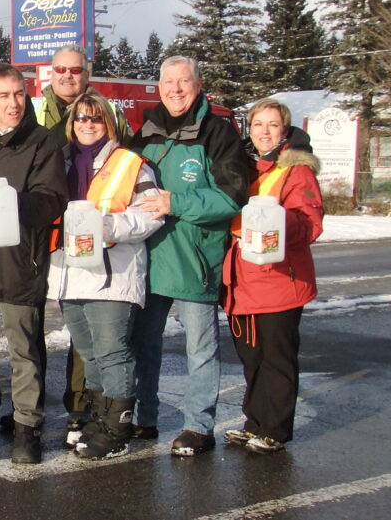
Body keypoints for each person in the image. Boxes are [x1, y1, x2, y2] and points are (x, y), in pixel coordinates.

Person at [128, 56, 250, 456]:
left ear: (199, 85)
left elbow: (232, 195)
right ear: (158, 86)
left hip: (194, 259)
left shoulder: (218, 133)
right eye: (168, 82)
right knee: (144, 345)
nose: (176, 89)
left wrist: (175, 202)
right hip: (148, 258)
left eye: (184, 82)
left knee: (200, 348)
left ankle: (199, 426)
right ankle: (145, 417)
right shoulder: (144, 132)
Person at [0, 63, 66, 464]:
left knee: (24, 354)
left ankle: (27, 427)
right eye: (4, 95)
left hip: (23, 264)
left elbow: (52, 199)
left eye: (19, 94)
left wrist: (10, 203)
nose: (13, 103)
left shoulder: (42, 142)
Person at [46, 92, 164, 459]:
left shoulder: (131, 163)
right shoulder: (60, 161)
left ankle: (118, 429)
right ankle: (100, 419)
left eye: (95, 118)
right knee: (89, 353)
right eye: (80, 118)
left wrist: (107, 226)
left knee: (112, 353)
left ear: (109, 123)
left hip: (113, 275)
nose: (87, 124)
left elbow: (152, 214)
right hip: (70, 274)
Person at [31, 44, 133, 443]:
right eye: (60, 69)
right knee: (40, 327)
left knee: (93, 338)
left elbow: (128, 168)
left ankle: (84, 408)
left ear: (86, 74)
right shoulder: (35, 110)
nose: (68, 76)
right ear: (49, 74)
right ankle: (33, 409)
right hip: (51, 238)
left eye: (75, 70)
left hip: (103, 250)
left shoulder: (112, 114)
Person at [221, 98, 323, 454]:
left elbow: (309, 223)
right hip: (242, 281)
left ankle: (276, 429)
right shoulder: (247, 167)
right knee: (252, 357)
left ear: (285, 130)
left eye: (272, 125)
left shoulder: (296, 171)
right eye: (258, 124)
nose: (264, 132)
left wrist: (275, 220)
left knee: (277, 358)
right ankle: (255, 422)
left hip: (279, 280)